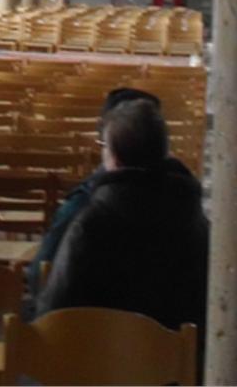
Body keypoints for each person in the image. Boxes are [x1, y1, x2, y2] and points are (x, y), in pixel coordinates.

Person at [36, 96, 209, 330]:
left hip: (102, 348)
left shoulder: (91, 223)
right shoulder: (195, 219)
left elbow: (54, 312)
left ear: (114, 159)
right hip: (180, 350)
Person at [28, 86, 162, 296]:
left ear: (113, 155)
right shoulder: (190, 211)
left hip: (85, 315)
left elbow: (41, 278)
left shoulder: (83, 211)